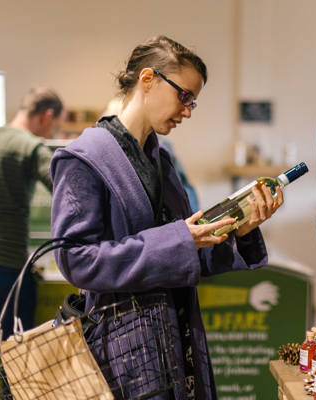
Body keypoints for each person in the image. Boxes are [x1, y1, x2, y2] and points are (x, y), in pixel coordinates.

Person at [50, 35, 282, 400]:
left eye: (193, 101)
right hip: (122, 350)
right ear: (148, 80)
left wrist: (243, 226)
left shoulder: (160, 162)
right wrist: (178, 241)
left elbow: (188, 253)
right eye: (184, 96)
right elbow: (76, 260)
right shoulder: (82, 158)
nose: (187, 110)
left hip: (176, 340)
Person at [0, 87, 64, 400]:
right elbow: (62, 188)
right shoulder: (30, 145)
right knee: (16, 357)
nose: (53, 132)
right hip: (3, 263)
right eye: (55, 125)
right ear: (47, 116)